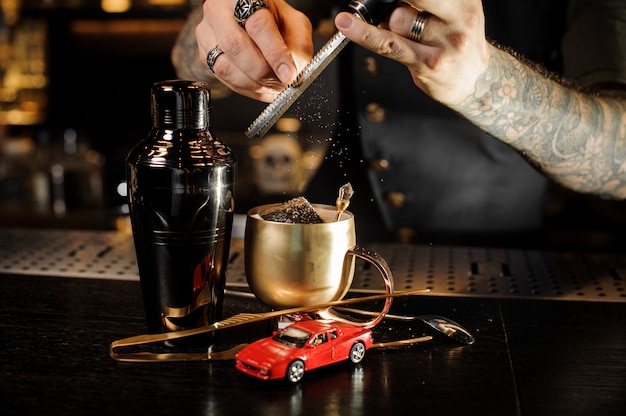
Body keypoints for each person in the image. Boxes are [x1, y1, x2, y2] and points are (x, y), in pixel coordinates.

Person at [172, 0, 626, 245]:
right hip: (334, 265)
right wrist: (223, 33)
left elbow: (618, 160)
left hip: (498, 271)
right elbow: (186, 57)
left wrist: (483, 81)